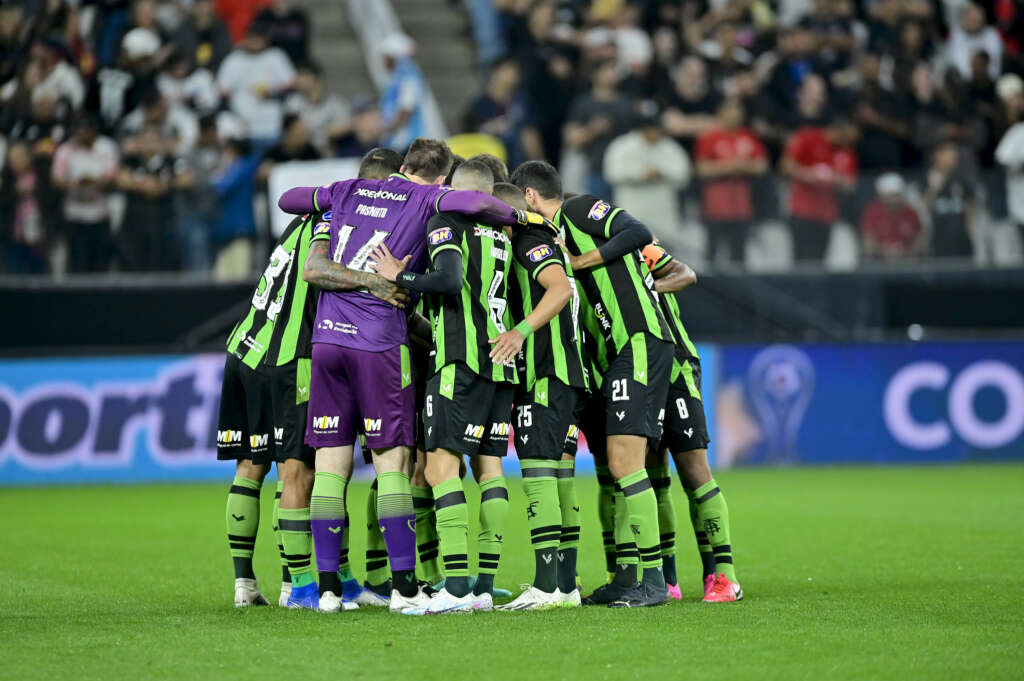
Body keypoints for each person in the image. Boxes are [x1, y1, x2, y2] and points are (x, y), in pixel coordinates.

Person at [277, 138, 538, 613]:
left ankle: (330, 590)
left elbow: (288, 200)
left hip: (327, 340)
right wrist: (522, 217)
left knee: (331, 470)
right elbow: (480, 201)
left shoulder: (348, 190)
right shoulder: (427, 198)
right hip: (380, 344)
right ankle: (402, 587)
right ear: (440, 177)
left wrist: (331, 195)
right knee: (392, 466)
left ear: (402, 165)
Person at [512, 160, 674, 608]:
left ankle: (654, 580)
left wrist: (580, 261)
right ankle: (627, 577)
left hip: (637, 342)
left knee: (626, 464)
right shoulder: (547, 241)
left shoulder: (579, 210)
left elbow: (638, 231)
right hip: (607, 360)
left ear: (529, 196)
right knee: (610, 468)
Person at [370, 160, 521, 615]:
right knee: (490, 468)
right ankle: (483, 585)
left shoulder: (447, 220)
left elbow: (449, 279)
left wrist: (401, 276)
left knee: (439, 470)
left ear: (455, 191)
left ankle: (455, 588)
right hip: (499, 364)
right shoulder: (500, 236)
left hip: (459, 360)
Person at [488, 181, 589, 611]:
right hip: (565, 373)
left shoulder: (529, 239)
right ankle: (565, 586)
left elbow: (561, 289)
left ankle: (546, 586)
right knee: (561, 479)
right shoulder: (546, 236)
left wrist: (520, 331)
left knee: (538, 476)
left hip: (547, 372)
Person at [640, 240, 743, 602]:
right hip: (637, 372)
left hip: (675, 366)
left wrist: (647, 287)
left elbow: (686, 272)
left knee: (694, 472)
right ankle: (669, 579)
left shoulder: (635, 247)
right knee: (653, 478)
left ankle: (722, 575)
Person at [603, 109, 691, 243]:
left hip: (663, 213)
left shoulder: (669, 147)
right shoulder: (622, 146)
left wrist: (662, 172)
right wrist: (640, 175)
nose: (656, 133)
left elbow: (684, 174)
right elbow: (612, 173)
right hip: (632, 210)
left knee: (665, 256)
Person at [781, 122, 858, 262]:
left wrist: (836, 180)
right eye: (847, 138)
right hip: (802, 212)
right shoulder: (809, 138)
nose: (849, 142)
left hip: (826, 216)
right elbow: (786, 166)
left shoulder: (846, 151)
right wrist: (809, 175)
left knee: (820, 259)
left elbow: (850, 185)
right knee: (799, 258)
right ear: (837, 132)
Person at [50, 115, 119, 273]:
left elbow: (113, 175)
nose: (81, 136)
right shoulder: (66, 150)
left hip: (100, 214)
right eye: (78, 132)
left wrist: (94, 184)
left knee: (100, 265)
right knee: (77, 265)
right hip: (74, 215)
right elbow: (56, 179)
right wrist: (74, 185)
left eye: (85, 132)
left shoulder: (106, 147)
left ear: (94, 132)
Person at [564, 58, 636, 196]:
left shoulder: (627, 103)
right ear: (594, 74)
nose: (611, 74)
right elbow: (571, 138)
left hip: (624, 171)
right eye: (606, 69)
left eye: (614, 69)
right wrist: (593, 130)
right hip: (594, 169)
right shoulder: (583, 103)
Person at [216, 22, 296, 144]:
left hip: (272, 116)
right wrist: (235, 115)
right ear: (246, 38)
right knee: (223, 121)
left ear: (265, 39)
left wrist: (273, 95)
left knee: (296, 104)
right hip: (240, 121)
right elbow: (222, 95)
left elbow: (291, 87)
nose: (255, 42)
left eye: (258, 38)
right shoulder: (234, 59)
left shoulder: (275, 56)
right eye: (251, 38)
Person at [462, 57, 544, 168]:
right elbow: (469, 138)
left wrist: (539, 163)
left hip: (516, 165)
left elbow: (530, 135)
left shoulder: (522, 102)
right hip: (488, 166)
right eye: (508, 70)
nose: (513, 74)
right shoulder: (479, 105)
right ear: (495, 72)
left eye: (515, 71)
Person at [924, 141, 976, 259]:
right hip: (938, 239)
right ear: (938, 155)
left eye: (955, 156)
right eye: (950, 155)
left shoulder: (962, 179)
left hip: (962, 239)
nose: (954, 158)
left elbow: (971, 205)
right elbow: (924, 208)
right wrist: (934, 188)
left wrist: (970, 230)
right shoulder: (927, 179)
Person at [859, 173, 925, 260]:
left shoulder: (910, 212)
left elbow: (920, 238)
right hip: (879, 262)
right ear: (882, 196)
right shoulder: (873, 211)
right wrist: (883, 254)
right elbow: (868, 239)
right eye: (891, 196)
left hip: (907, 262)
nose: (894, 200)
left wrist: (908, 254)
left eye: (897, 195)